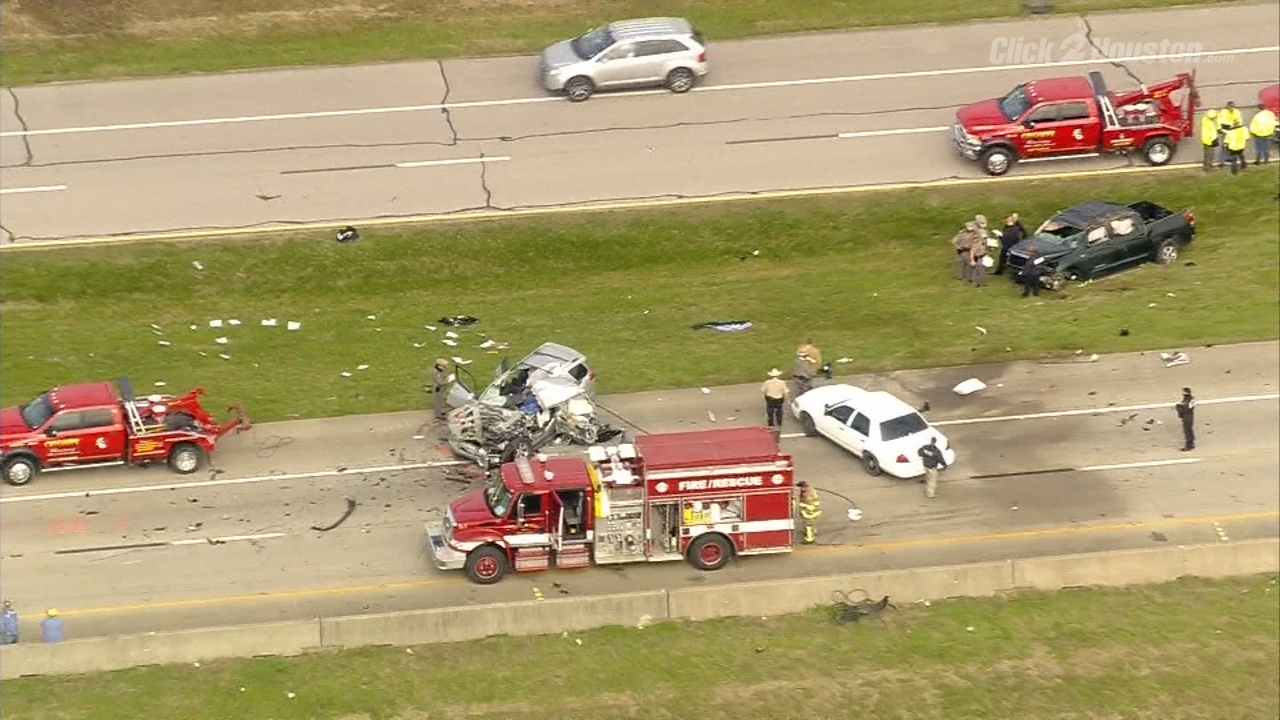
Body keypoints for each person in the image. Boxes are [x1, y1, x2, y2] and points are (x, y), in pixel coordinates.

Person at [761, 368, 789, 434]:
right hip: (779, 399)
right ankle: (779, 425)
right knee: (779, 412)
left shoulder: (767, 382)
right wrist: (787, 400)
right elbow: (785, 392)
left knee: (770, 412)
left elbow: (762, 390)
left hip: (770, 399)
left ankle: (771, 425)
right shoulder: (782, 382)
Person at [1175, 387, 1196, 452]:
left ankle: (1189, 445)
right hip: (1188, 416)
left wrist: (1178, 407)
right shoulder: (1189, 399)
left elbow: (1186, 409)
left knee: (1187, 431)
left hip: (1188, 416)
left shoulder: (1188, 399)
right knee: (1189, 430)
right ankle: (1191, 443)